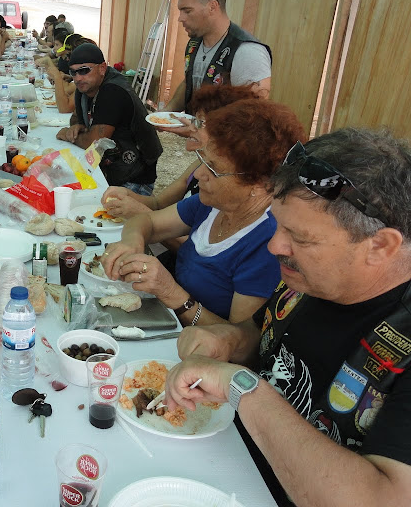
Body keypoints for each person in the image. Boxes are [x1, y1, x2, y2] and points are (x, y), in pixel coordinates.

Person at [164, 128, 411, 507]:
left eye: (301, 237)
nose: (274, 246)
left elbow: (382, 499)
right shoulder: (312, 278)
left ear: (380, 246)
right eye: (277, 223)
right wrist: (228, 341)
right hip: (228, 460)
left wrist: (242, 387)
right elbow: (261, 332)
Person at [102, 99, 305, 326]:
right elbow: (146, 221)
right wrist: (132, 242)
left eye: (214, 169)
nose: (199, 175)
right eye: (203, 160)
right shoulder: (214, 204)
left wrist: (171, 293)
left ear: (258, 185)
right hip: (166, 323)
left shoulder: (267, 243)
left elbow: (239, 344)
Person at [101, 84, 262, 220]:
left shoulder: (230, 181)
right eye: (194, 119)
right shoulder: (199, 165)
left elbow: (194, 245)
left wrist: (142, 214)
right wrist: (127, 195)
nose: (190, 128)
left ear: (229, 132)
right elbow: (158, 203)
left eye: (200, 122)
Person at [57, 43, 163, 194]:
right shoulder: (86, 85)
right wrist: (77, 126)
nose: (78, 78)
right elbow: (76, 118)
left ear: (102, 68)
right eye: (73, 72)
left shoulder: (112, 91)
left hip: (133, 179)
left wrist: (68, 135)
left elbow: (94, 142)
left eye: (84, 70)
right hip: (108, 169)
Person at [166, 0, 271, 118]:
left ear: (212, 7)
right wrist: (166, 113)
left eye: (187, 11)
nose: (180, 18)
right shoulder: (195, 43)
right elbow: (189, 82)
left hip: (225, 140)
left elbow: (254, 115)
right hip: (197, 138)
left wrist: (208, 134)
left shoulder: (247, 51)